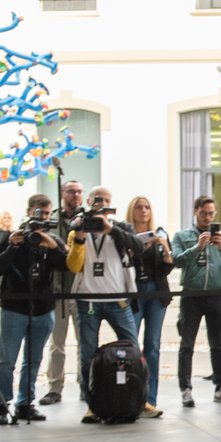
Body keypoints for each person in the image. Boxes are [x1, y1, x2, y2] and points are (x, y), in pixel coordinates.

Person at [67, 186, 146, 424]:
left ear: (111, 205)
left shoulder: (121, 227)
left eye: (106, 200)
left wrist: (109, 228)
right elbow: (72, 265)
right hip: (88, 299)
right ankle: (90, 404)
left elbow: (139, 247)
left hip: (118, 299)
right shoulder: (78, 227)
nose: (101, 204)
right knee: (87, 353)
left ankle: (139, 399)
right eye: (97, 200)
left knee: (133, 348)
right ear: (89, 202)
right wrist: (80, 237)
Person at [0, 194, 68, 423]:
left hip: (43, 308)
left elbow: (68, 264)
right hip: (14, 307)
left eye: (47, 214)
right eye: (39, 212)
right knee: (7, 359)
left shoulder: (52, 239)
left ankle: (25, 403)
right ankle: (2, 403)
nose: (43, 218)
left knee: (33, 359)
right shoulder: (12, 236)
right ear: (29, 211)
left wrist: (53, 246)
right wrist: (11, 246)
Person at [172, 195, 221, 409]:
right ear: (195, 212)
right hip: (192, 295)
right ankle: (186, 389)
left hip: (218, 294)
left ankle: (220, 387)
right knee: (187, 344)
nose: (208, 218)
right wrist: (196, 248)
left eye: (211, 214)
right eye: (203, 214)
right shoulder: (182, 235)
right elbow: (177, 260)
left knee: (218, 344)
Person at [126, 196, 173, 418]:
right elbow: (123, 266)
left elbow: (166, 269)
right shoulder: (125, 236)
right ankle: (130, 397)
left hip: (156, 293)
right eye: (139, 207)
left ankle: (149, 400)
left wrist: (165, 249)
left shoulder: (160, 233)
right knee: (132, 347)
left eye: (147, 207)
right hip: (134, 293)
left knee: (152, 346)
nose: (143, 211)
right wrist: (137, 247)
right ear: (132, 211)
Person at [41, 178, 85, 406]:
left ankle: (84, 386)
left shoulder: (86, 220)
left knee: (83, 342)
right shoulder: (53, 219)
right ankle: (54, 387)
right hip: (57, 290)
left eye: (79, 192)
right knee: (57, 343)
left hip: (81, 289)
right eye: (71, 191)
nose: (75, 196)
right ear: (62, 194)